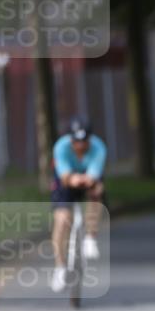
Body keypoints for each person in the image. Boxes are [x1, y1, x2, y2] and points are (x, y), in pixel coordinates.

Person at [49, 116, 107, 293]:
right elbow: (65, 176)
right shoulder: (60, 147)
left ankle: (90, 236)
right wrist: (72, 179)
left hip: (88, 179)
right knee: (62, 220)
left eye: (84, 142)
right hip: (66, 181)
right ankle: (60, 267)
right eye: (76, 142)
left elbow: (94, 175)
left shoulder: (99, 148)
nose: (80, 146)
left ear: (90, 139)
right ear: (70, 139)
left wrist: (88, 181)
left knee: (97, 192)